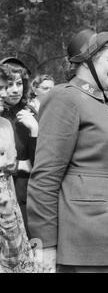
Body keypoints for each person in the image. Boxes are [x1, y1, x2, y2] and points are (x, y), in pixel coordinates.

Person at [27, 29, 108, 273]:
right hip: (86, 237)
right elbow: (45, 177)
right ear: (87, 60)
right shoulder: (64, 97)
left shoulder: (103, 102)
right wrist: (45, 244)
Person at [0, 66, 41, 273]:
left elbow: (40, 162)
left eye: (19, 84)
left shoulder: (30, 113)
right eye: (8, 85)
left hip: (28, 196)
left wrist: (35, 130)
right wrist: (18, 166)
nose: (14, 90)